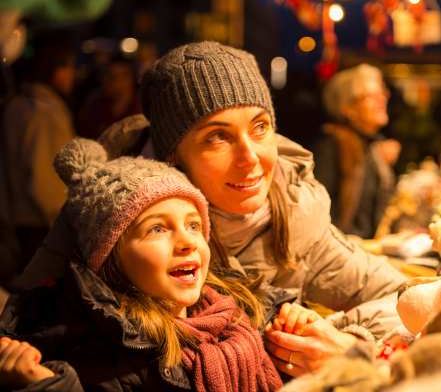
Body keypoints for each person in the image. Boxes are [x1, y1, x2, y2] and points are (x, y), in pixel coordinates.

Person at [10, 41, 408, 377]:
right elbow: (22, 328)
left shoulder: (294, 215)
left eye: (260, 126)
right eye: (218, 137)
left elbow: (407, 298)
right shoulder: (103, 212)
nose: (250, 158)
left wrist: (347, 342)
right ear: (172, 157)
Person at [0, 137, 282, 391]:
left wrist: (294, 319)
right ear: (112, 257)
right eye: (157, 229)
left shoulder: (238, 308)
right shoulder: (101, 359)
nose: (188, 242)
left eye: (193, 225)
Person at [0, 31, 76, 270]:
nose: (73, 74)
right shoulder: (43, 111)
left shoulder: (17, 104)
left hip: (17, 221)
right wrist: (68, 224)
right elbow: (44, 178)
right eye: (70, 66)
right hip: (42, 226)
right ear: (55, 70)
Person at [312, 64, 401, 239]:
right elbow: (315, 211)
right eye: (369, 96)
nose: (381, 100)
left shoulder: (370, 146)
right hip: (343, 253)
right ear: (347, 107)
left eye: (381, 93)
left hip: (367, 250)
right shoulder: (332, 145)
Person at [77, 57, 142, 140]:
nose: (106, 81)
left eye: (112, 77)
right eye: (105, 75)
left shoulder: (142, 111)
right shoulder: (96, 107)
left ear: (128, 80)